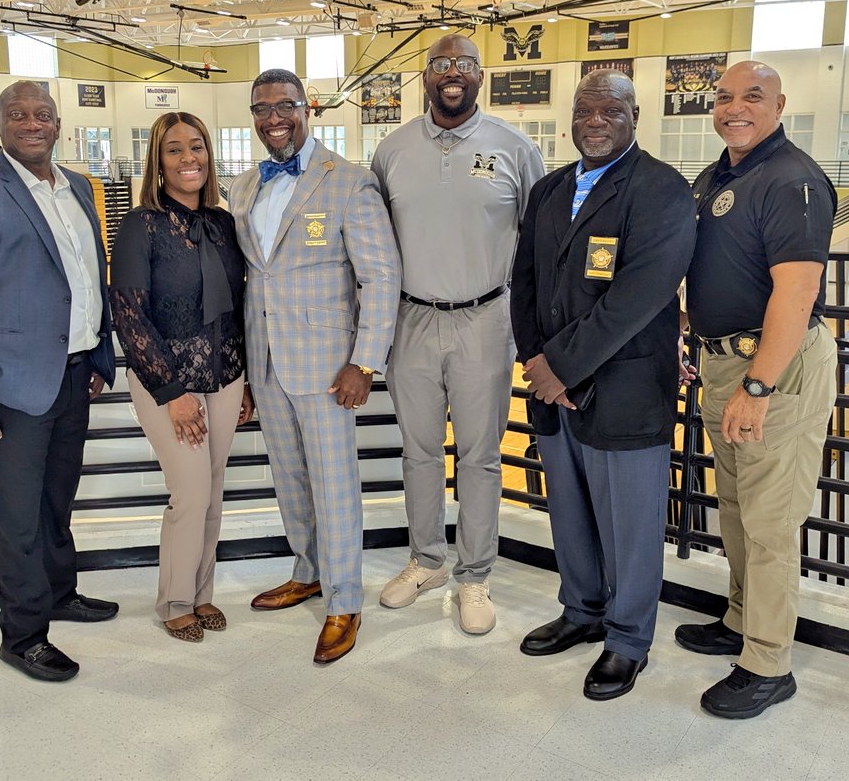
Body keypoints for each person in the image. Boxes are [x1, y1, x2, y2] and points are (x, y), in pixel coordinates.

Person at [510, 70, 696, 700]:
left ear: (634, 116)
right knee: (570, 512)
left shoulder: (663, 192)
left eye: (610, 111)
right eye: (585, 110)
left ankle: (627, 639)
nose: (595, 121)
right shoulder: (549, 189)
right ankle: (582, 610)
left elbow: (636, 299)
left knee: (631, 526)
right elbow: (526, 283)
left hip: (624, 389)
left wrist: (559, 368)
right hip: (552, 388)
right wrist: (536, 362)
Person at [0, 81, 118, 682]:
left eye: (42, 114)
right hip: (9, 388)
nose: (32, 123)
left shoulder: (80, 188)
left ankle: (59, 593)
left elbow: (88, 278)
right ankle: (23, 634)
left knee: (55, 502)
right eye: (18, 115)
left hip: (72, 376)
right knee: (14, 518)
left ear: (59, 124)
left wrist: (97, 356)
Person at [676, 61, 838, 719]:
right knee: (738, 505)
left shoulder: (791, 178)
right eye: (724, 98)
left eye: (752, 97)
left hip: (774, 369)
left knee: (770, 521)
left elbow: (796, 293)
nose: (734, 108)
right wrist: (695, 332)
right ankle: (742, 617)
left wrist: (759, 382)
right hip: (723, 362)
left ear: (779, 105)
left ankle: (768, 661)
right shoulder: (717, 174)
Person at [371, 34, 544, 634]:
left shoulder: (515, 149)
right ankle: (426, 561)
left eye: (463, 65)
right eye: (441, 65)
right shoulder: (391, 151)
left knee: (479, 456)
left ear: (479, 74)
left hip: (484, 318)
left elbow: (540, 247)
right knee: (418, 452)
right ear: (425, 75)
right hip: (410, 318)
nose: (452, 74)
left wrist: (531, 327)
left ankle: (475, 575)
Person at [229, 69, 401, 664]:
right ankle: (307, 570)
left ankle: (345, 599)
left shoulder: (349, 181)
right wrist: (247, 372)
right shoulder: (244, 185)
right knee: (290, 478)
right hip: (268, 361)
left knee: (334, 485)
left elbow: (381, 276)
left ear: (309, 108)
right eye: (261, 109)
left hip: (329, 366)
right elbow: (254, 278)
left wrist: (365, 362)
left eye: (285, 106)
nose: (273, 118)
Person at [110, 112, 254, 643]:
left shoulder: (221, 223)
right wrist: (173, 394)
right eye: (175, 150)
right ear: (158, 161)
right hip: (168, 383)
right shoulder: (139, 225)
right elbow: (129, 315)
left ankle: (202, 593)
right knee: (190, 493)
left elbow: (238, 309)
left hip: (227, 375)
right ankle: (173, 598)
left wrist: (249, 383)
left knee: (213, 492)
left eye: (197, 147)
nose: (188, 158)